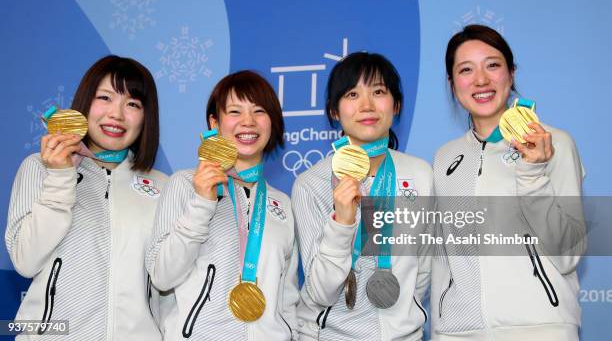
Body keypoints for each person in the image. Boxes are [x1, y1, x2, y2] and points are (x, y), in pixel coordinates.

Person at [431, 24, 585, 340]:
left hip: (540, 328)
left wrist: (533, 174)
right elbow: (443, 261)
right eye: (466, 70)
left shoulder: (555, 143)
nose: (481, 80)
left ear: (511, 73)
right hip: (458, 333)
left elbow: (568, 254)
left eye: (493, 65)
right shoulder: (444, 158)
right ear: (451, 83)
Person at [5, 55, 167, 340]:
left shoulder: (163, 186)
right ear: (83, 103)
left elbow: (167, 290)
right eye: (104, 97)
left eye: (132, 104)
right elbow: (26, 261)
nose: (116, 114)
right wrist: (60, 177)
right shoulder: (39, 167)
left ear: (146, 117)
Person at [146, 70, 299, 340]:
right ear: (214, 122)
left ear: (272, 123)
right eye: (235, 112)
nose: (248, 122)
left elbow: (287, 298)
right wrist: (203, 203)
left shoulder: (282, 203)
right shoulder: (184, 184)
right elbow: (162, 276)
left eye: (259, 111)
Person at [292, 52, 433, 340]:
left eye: (378, 91)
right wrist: (342, 223)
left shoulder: (420, 174)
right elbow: (320, 291)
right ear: (334, 110)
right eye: (353, 94)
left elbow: (424, 269)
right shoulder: (311, 184)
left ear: (397, 105)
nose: (367, 105)